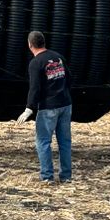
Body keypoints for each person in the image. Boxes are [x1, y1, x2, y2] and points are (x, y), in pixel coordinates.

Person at [16, 30, 72, 182]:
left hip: (48, 107)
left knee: (43, 142)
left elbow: (35, 88)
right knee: (65, 142)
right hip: (66, 105)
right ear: (44, 42)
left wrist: (29, 108)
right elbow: (69, 78)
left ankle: (47, 177)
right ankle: (66, 177)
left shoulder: (36, 63)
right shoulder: (58, 57)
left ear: (30, 45)